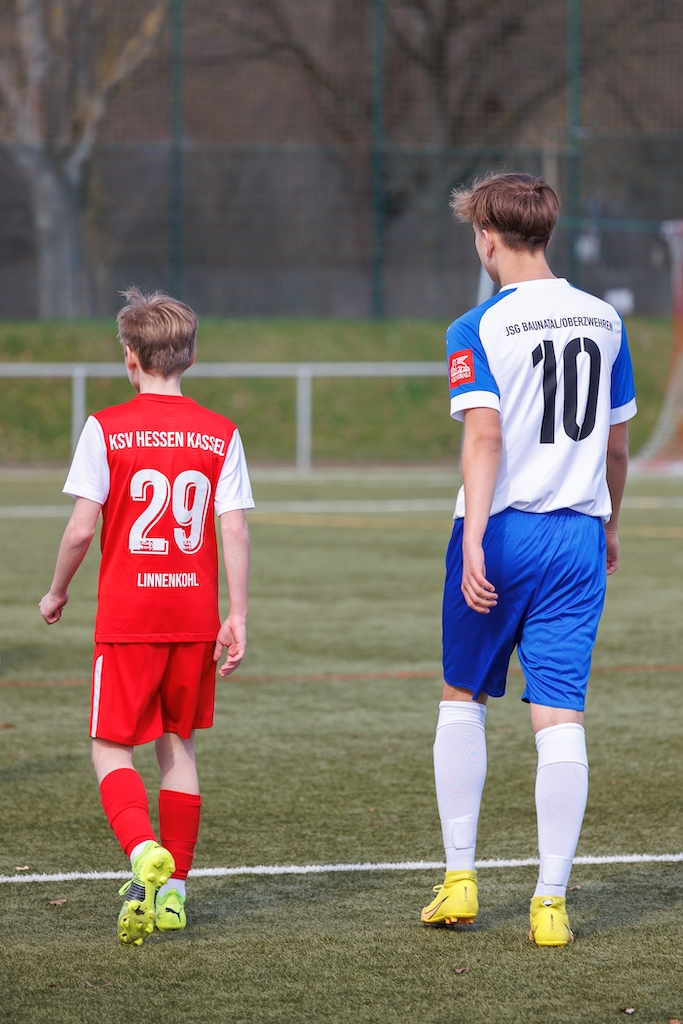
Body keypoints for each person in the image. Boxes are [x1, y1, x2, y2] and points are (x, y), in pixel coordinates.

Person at [420, 173, 636, 946]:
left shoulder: (476, 324)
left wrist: (475, 538)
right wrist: (608, 525)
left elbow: (484, 438)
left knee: (462, 697)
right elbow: (615, 447)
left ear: (487, 237)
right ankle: (550, 903)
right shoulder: (604, 318)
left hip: (503, 530)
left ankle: (460, 880)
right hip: (578, 535)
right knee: (559, 714)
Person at [39, 288, 253, 945]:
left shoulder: (105, 427)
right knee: (177, 745)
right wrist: (237, 614)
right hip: (194, 616)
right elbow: (234, 528)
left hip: (129, 618)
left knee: (110, 746)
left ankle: (141, 853)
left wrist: (56, 591)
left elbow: (82, 530)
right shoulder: (220, 432)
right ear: (191, 357)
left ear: (130, 357)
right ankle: (175, 893)